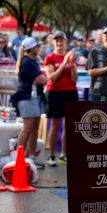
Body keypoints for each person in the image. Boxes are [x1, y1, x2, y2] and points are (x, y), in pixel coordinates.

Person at [10, 37, 47, 169]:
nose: (39, 48)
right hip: (27, 98)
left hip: (33, 98)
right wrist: (43, 78)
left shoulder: (31, 61)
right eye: (37, 46)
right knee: (27, 129)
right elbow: (41, 79)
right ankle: (19, 159)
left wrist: (42, 79)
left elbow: (41, 79)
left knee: (33, 129)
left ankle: (30, 158)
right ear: (31, 49)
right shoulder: (28, 62)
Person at [43, 31, 78, 166]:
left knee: (68, 124)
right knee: (56, 124)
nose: (59, 43)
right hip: (55, 93)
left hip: (70, 92)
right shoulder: (50, 58)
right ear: (53, 42)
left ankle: (64, 154)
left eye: (61, 40)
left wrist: (73, 65)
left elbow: (74, 79)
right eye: (56, 41)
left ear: (65, 42)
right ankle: (52, 155)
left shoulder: (71, 57)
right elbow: (52, 78)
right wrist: (64, 63)